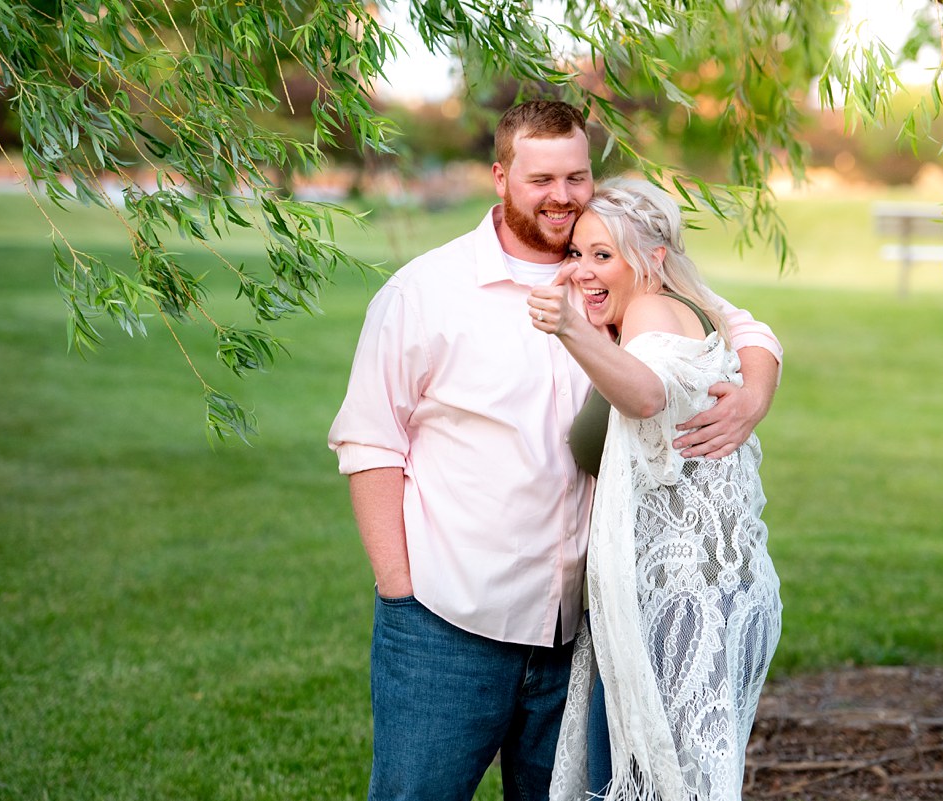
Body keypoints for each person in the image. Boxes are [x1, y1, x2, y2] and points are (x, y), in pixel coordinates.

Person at [328, 100, 782, 801]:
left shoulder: (612, 273)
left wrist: (754, 393)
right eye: (541, 178)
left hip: (579, 633)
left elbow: (737, 323)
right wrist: (400, 589)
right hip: (449, 625)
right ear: (500, 175)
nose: (563, 196)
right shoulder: (425, 291)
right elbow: (369, 441)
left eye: (576, 176)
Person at [527, 178, 782, 801]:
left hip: (676, 606)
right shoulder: (667, 307)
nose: (585, 270)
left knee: (649, 782)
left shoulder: (648, 311)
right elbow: (755, 333)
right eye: (578, 254)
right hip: (672, 600)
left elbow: (646, 395)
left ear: (653, 260)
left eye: (603, 255)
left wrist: (570, 328)